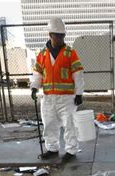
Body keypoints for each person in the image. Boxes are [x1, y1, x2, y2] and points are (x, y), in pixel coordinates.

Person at [30, 17, 84, 161]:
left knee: (69, 125)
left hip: (67, 98)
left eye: (62, 36)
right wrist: (34, 87)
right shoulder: (42, 54)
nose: (60, 38)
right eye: (57, 35)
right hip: (48, 97)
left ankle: (71, 150)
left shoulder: (70, 53)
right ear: (50, 35)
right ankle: (52, 149)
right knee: (49, 124)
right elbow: (37, 73)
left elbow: (78, 74)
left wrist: (79, 93)